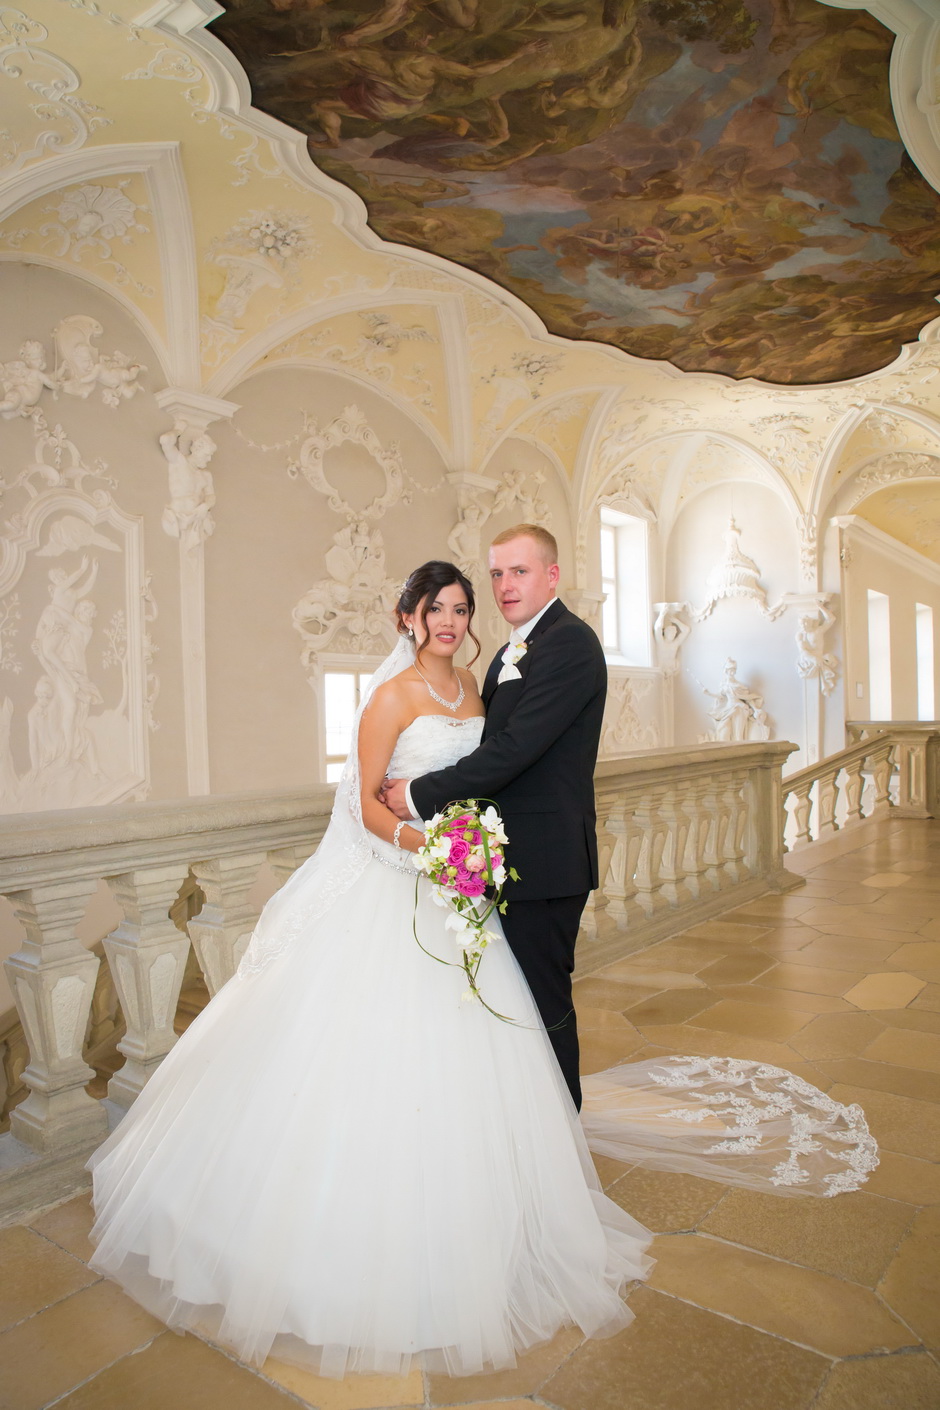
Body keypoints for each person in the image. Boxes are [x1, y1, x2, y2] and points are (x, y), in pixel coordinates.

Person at [88, 559, 877, 1382]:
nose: (451, 621)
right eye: (437, 609)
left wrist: (462, 851)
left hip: (460, 895)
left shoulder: (480, 685)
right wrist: (423, 848)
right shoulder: (391, 697)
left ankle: (493, 1221)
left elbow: (496, 771)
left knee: (487, 1045)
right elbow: (365, 803)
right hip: (398, 888)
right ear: (407, 617)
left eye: (463, 608)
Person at [384, 523, 602, 1109]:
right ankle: (529, 1129)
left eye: (520, 571)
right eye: (498, 573)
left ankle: (564, 1137)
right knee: (511, 1007)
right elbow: (488, 752)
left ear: (552, 575)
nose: (506, 585)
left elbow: (513, 752)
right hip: (501, 860)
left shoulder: (571, 644)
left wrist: (419, 796)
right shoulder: (510, 650)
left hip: (548, 860)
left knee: (545, 1004)